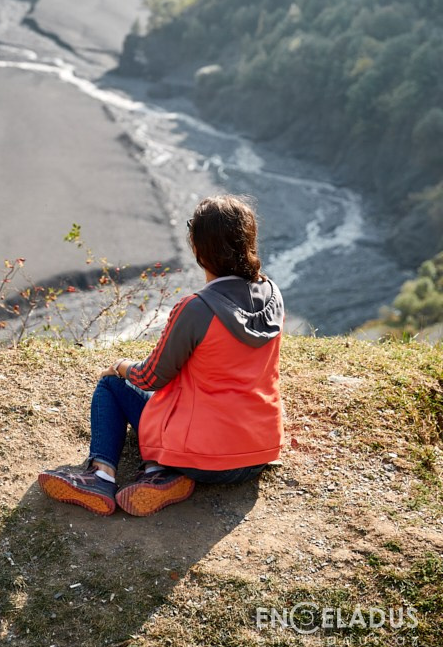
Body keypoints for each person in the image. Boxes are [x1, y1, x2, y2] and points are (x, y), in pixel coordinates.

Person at [38, 194, 284, 516]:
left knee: (112, 386)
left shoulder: (197, 309)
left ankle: (102, 476)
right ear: (248, 241)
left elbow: (151, 376)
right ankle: (158, 473)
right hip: (258, 453)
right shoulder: (272, 296)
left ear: (198, 248)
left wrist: (121, 366)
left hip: (206, 457)